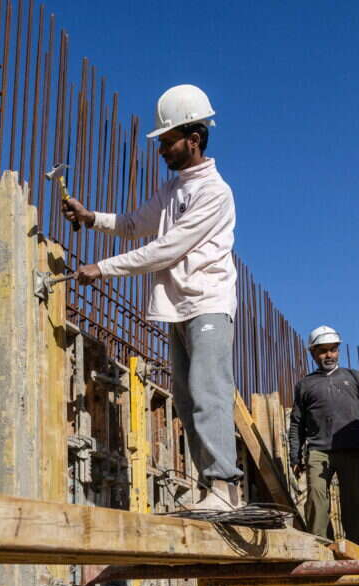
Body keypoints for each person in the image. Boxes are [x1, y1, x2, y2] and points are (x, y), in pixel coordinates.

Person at [60, 84, 242, 509]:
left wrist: (103, 268)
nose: (161, 150)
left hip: (209, 304)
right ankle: (210, 490)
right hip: (180, 307)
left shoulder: (214, 192)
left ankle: (224, 489)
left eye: (166, 141)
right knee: (187, 396)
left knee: (208, 390)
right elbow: (134, 224)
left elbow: (166, 248)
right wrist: (92, 219)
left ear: (192, 139)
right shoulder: (173, 190)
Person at [288, 325, 359, 547]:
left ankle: (357, 551)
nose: (329, 355)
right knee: (316, 500)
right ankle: (321, 549)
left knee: (355, 503)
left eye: (333, 349)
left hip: (353, 448)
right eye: (323, 350)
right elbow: (297, 423)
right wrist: (295, 456)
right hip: (318, 451)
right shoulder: (305, 384)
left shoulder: (354, 378)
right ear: (313, 353)